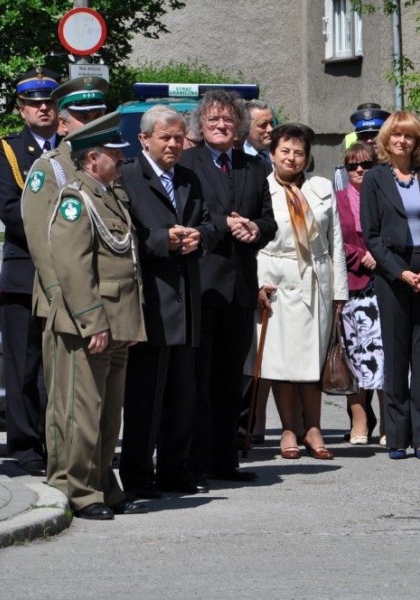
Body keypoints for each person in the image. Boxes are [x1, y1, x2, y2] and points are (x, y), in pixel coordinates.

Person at [46, 112, 147, 519]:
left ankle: (105, 484)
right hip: (91, 324)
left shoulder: (109, 195)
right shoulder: (76, 200)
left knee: (108, 414)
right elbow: (72, 267)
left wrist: (131, 324)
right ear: (92, 160)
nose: (122, 159)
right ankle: (81, 490)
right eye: (114, 154)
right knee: (83, 412)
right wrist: (93, 322)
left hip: (118, 322)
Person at [119, 105, 218, 498]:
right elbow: (121, 236)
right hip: (151, 305)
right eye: (166, 137)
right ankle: (139, 476)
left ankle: (175, 472)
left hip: (187, 302)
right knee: (145, 398)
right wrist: (164, 240)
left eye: (179, 137)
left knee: (183, 397)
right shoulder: (129, 176)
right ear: (145, 139)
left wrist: (201, 237)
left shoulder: (189, 178)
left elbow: (210, 221)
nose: (174, 144)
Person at [180, 90, 276, 488]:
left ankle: (225, 460)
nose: (221, 125)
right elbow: (190, 211)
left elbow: (269, 220)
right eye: (213, 120)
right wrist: (225, 223)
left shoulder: (254, 167)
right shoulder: (188, 162)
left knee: (229, 381)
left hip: (240, 287)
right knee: (198, 381)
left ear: (238, 126)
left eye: (227, 120)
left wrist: (255, 228)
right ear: (200, 126)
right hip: (203, 285)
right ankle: (196, 462)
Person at [20, 75, 109, 492]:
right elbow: (43, 244)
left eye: (97, 114)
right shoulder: (50, 169)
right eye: (82, 116)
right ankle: (65, 482)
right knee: (68, 403)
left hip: (102, 303)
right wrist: (64, 304)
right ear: (63, 124)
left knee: (98, 406)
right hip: (66, 306)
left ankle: (98, 478)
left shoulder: (107, 165)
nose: (92, 122)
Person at [247, 124, 348, 460]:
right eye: (285, 151)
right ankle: (289, 428)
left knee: (312, 361)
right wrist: (258, 282)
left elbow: (335, 241)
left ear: (307, 157)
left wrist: (340, 292)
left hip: (314, 280)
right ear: (272, 153)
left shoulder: (321, 188)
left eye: (299, 152)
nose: (292, 158)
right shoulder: (259, 188)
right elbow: (254, 242)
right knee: (283, 364)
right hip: (275, 280)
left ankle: (314, 427)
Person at [360, 110, 420, 460]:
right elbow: (371, 235)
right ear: (386, 140)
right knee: (397, 355)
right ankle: (397, 437)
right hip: (392, 273)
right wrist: (400, 273)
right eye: (396, 135)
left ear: (418, 142)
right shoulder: (374, 179)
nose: (402, 141)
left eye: (409, 136)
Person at [0, 67, 60, 477]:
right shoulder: (7, 150)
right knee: (25, 365)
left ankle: (57, 441)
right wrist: (62, 234)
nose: (43, 110)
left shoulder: (71, 147)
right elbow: (10, 208)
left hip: (68, 273)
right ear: (22, 109)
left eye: (49, 103)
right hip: (26, 270)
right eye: (35, 104)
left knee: (59, 366)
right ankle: (26, 444)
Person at [336, 142, 385, 445]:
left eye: (365, 165)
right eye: (352, 166)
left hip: (383, 283)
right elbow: (329, 240)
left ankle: (388, 423)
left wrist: (378, 255)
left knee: (384, 356)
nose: (358, 171)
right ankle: (359, 420)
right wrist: (359, 255)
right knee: (354, 355)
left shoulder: (385, 196)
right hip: (351, 286)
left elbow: (398, 232)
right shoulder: (336, 199)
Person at [335, 104, 391, 192]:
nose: (369, 140)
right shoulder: (343, 176)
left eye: (374, 134)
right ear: (357, 138)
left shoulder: (395, 170)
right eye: (364, 135)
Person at [243, 99, 274, 168]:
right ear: (246, 126)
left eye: (271, 123)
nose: (270, 129)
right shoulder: (238, 157)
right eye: (263, 125)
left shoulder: (280, 152)